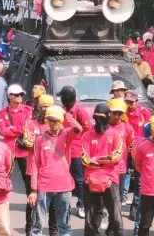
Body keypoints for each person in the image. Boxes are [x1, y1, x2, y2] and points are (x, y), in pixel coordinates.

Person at [29, 105, 82, 236]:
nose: (53, 124)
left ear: (61, 121)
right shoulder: (40, 139)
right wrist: (33, 190)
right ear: (46, 120)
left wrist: (65, 115)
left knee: (64, 224)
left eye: (56, 120)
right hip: (44, 186)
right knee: (38, 224)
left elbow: (79, 129)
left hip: (64, 186)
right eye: (50, 120)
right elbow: (35, 165)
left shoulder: (67, 134)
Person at [81, 103, 124, 236]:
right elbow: (85, 159)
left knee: (116, 217)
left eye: (101, 117)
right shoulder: (87, 136)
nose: (98, 120)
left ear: (108, 117)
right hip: (91, 179)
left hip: (111, 179)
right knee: (89, 219)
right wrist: (104, 161)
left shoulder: (116, 135)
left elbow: (116, 157)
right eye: (96, 117)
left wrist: (97, 160)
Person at [0, 84, 34, 235]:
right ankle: (1, 224)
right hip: (9, 152)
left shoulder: (28, 110)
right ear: (10, 96)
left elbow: (28, 128)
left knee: (30, 188)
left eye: (21, 94)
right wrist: (17, 129)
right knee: (2, 186)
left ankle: (30, 227)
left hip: (25, 152)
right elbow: (3, 131)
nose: (20, 97)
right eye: (16, 95)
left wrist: (13, 129)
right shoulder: (2, 112)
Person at [23, 94, 58, 236]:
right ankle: (29, 231)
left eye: (49, 107)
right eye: (43, 106)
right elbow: (28, 142)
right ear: (38, 106)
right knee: (33, 203)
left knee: (53, 205)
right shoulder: (30, 123)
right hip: (33, 170)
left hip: (52, 170)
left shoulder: (57, 124)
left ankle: (53, 231)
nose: (46, 110)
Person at [58, 85, 90, 218]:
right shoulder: (62, 110)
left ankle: (82, 204)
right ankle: (64, 205)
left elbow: (87, 131)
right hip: (64, 149)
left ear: (67, 98)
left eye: (62, 97)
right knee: (65, 177)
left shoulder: (80, 112)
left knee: (79, 179)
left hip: (76, 150)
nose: (60, 100)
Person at [124, 90, 151, 219]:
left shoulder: (144, 112)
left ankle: (135, 208)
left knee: (139, 181)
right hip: (124, 150)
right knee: (120, 178)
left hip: (140, 151)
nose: (129, 104)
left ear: (136, 101)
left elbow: (149, 130)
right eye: (127, 101)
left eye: (131, 102)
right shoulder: (122, 113)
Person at [107, 98, 134, 208]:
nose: (117, 116)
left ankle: (117, 221)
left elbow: (129, 145)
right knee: (106, 197)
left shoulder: (127, 128)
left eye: (120, 113)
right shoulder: (102, 127)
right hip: (105, 168)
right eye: (114, 113)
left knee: (118, 197)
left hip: (121, 168)